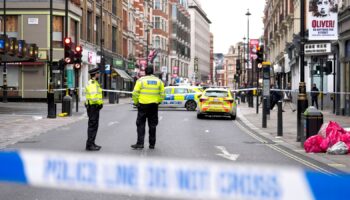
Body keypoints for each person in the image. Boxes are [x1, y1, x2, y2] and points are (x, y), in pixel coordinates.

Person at [131, 67, 165, 150]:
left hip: (142, 105)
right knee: (152, 125)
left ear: (145, 72)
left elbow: (135, 93)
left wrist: (136, 102)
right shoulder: (159, 81)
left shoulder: (141, 81)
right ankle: (152, 144)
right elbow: (162, 94)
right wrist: (159, 101)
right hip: (153, 106)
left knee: (140, 125)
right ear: (153, 72)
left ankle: (140, 144)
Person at [85, 67, 103, 151]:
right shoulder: (92, 84)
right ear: (95, 74)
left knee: (94, 126)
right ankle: (90, 145)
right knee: (92, 126)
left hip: (94, 107)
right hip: (93, 107)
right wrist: (99, 103)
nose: (99, 74)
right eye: (98, 73)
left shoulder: (94, 83)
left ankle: (92, 143)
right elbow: (93, 96)